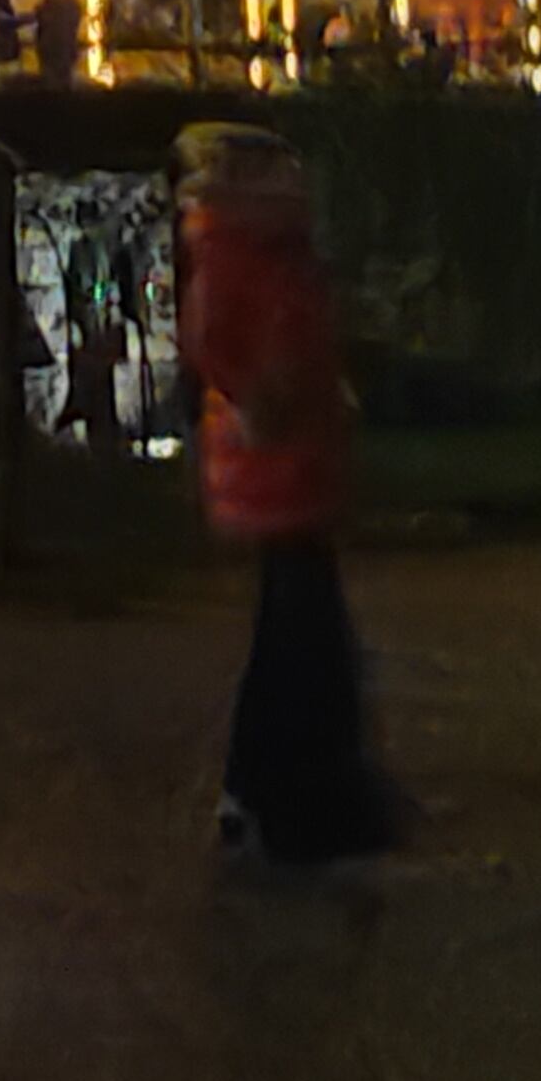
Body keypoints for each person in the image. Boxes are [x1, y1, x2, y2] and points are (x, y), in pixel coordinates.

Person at [176, 124, 399, 868]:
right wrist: (260, 399)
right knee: (303, 640)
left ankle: (271, 792)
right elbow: (220, 339)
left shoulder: (260, 248)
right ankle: (296, 801)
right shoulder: (246, 249)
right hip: (277, 461)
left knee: (295, 633)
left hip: (289, 456)